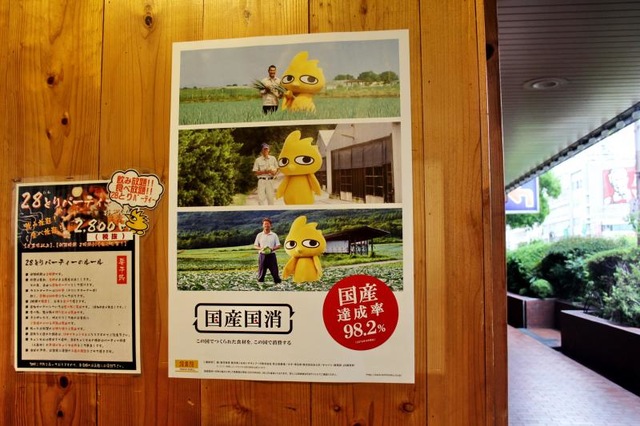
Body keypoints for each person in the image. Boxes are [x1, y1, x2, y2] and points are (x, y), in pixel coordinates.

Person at [254, 218, 282, 284]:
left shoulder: (274, 235)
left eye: (268, 224)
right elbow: (255, 246)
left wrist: (272, 249)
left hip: (271, 256)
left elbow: (279, 245)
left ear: (270, 225)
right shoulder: (259, 235)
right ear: (263, 225)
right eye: (265, 224)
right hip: (262, 256)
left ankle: (278, 286)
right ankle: (260, 286)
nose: (266, 225)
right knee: (261, 274)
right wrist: (261, 248)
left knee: (275, 274)